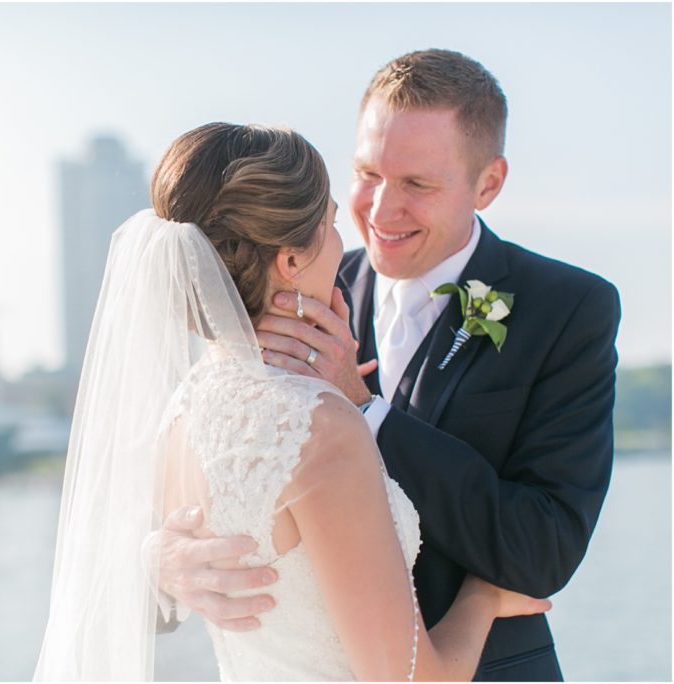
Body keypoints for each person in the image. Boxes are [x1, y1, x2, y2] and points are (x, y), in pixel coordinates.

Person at [155, 50, 621, 681]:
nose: (377, 211)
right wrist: (160, 562)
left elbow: (545, 548)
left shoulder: (568, 308)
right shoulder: (286, 279)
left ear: (488, 184)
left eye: (416, 185)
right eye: (367, 173)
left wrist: (365, 410)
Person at [34, 122, 551, 681]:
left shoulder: (182, 409)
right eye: (331, 223)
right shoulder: (318, 426)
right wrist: (482, 598)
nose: (344, 244)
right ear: (289, 262)